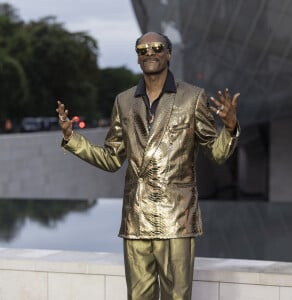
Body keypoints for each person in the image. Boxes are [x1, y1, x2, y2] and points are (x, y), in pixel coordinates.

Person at [56, 31, 240, 300]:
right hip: (136, 217)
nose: (149, 53)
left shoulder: (193, 97)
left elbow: (217, 153)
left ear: (169, 53)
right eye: (142, 49)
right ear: (138, 58)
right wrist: (72, 139)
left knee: (177, 296)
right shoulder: (123, 101)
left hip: (177, 217)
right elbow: (111, 158)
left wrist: (231, 127)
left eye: (157, 48)